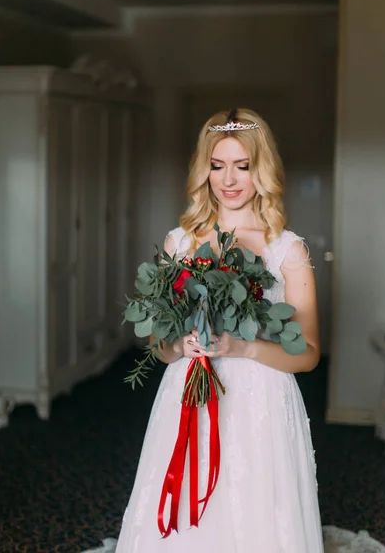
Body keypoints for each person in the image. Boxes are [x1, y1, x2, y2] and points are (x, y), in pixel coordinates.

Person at [113, 107, 323, 553]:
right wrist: (180, 345)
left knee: (257, 516)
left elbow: (307, 354)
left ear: (261, 170)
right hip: (188, 395)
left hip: (262, 403)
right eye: (217, 165)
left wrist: (243, 347)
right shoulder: (180, 242)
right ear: (203, 170)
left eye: (242, 166)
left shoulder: (287, 249)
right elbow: (159, 344)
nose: (229, 180)